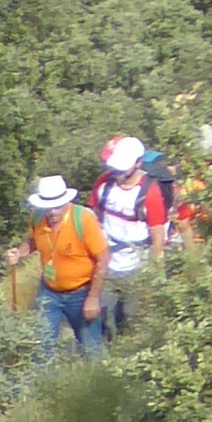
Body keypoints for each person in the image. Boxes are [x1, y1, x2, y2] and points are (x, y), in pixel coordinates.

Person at [18, 175, 107, 358]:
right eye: (48, 207)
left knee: (91, 348)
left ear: (67, 201)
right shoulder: (37, 218)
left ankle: (98, 375)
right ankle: (43, 376)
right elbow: (32, 240)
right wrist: (19, 253)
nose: (52, 212)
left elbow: (103, 259)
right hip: (49, 292)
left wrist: (93, 298)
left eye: (57, 206)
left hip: (81, 292)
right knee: (41, 345)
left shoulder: (83, 219)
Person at [95, 134, 170, 333]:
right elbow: (96, 219)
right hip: (107, 264)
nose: (116, 172)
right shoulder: (104, 185)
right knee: (103, 316)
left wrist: (155, 273)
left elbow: (158, 236)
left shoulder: (150, 192)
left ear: (138, 163)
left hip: (136, 267)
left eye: (122, 168)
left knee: (131, 318)